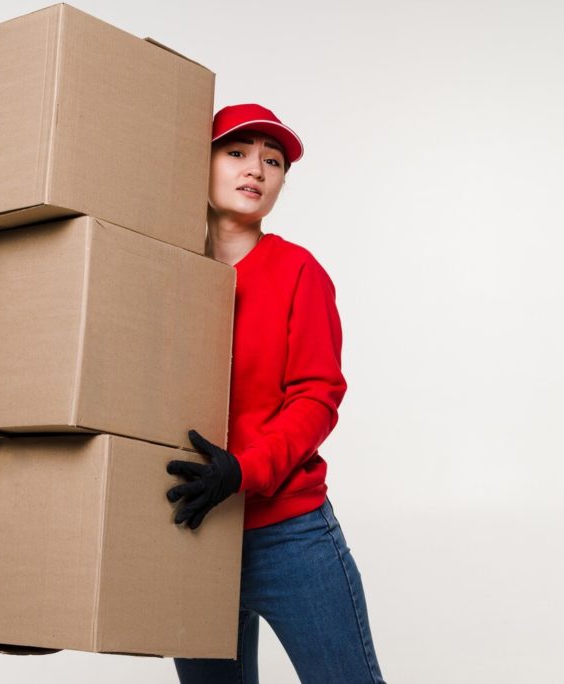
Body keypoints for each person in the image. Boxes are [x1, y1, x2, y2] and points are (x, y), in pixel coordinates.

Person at [164, 103, 386, 684]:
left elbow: (316, 397)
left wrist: (243, 470)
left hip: (288, 533)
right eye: (236, 153)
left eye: (273, 161)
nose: (255, 170)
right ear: (201, 163)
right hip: (195, 524)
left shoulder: (297, 272)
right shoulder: (163, 268)